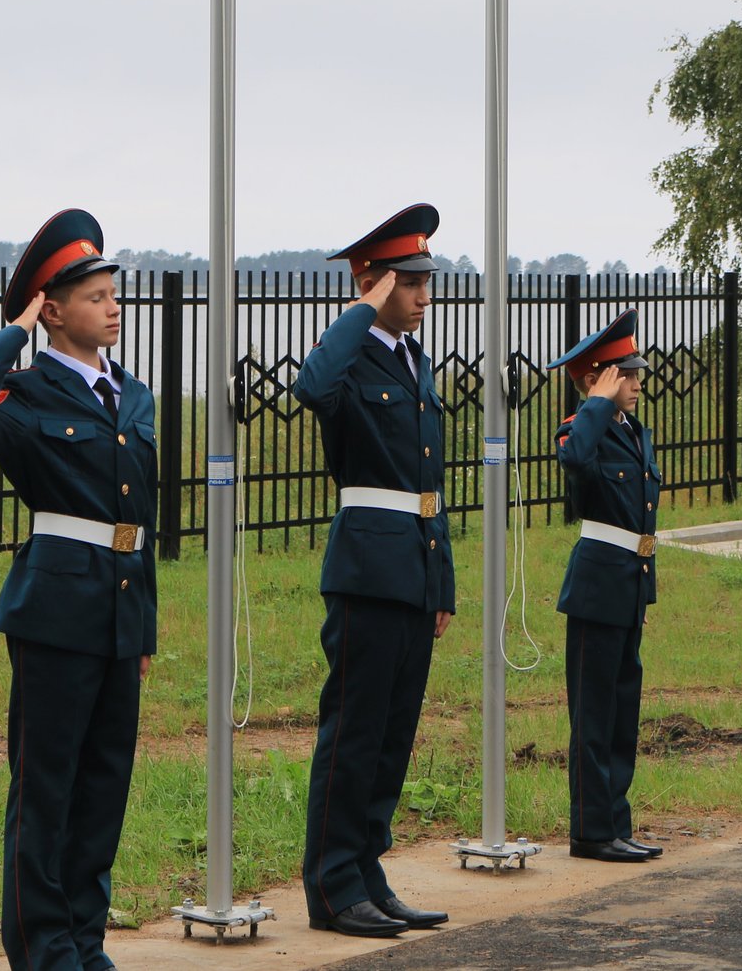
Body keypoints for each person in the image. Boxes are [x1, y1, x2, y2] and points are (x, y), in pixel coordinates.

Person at [0, 209, 158, 971]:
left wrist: (145, 631)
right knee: (46, 790)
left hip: (120, 614)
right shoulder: (25, 394)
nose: (113, 306)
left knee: (103, 788)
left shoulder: (134, 397)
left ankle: (85, 945)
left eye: (112, 292)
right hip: (56, 613)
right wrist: (12, 335)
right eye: (94, 296)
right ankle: (41, 951)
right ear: (53, 311)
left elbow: (139, 522)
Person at [296, 202, 455, 940]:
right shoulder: (353, 351)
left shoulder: (412, 359)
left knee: (393, 734)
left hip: (414, 566)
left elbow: (429, 481)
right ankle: (331, 885)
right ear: (373, 281)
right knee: (354, 731)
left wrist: (442, 581)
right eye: (409, 279)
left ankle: (367, 872)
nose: (425, 292)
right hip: (366, 565)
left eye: (427, 278)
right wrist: (359, 308)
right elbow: (311, 387)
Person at [548, 309, 664, 863]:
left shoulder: (633, 432)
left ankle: (616, 824)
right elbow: (574, 459)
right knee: (593, 717)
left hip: (628, 587)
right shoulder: (582, 428)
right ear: (601, 377)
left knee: (622, 713)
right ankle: (591, 832)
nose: (638, 383)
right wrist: (594, 398)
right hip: (596, 587)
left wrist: (647, 593)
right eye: (627, 374)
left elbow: (643, 521)